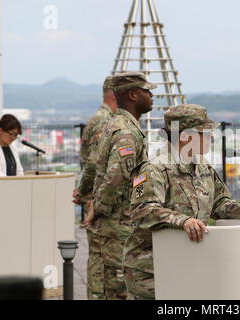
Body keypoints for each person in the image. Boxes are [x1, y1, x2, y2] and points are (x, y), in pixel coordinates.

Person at [123, 104, 240, 300]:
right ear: (184, 137)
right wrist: (182, 220)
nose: (211, 137)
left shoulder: (202, 167)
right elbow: (143, 210)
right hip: (152, 270)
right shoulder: (154, 168)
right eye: (205, 133)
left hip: (189, 264)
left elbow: (220, 204)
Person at [90, 72, 156, 300]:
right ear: (132, 94)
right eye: (147, 91)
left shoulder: (119, 124)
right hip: (118, 226)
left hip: (118, 224)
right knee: (118, 289)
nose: (152, 95)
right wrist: (99, 209)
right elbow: (115, 177)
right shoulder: (126, 131)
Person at [72, 75, 118, 300]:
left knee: (102, 261)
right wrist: (83, 192)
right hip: (98, 202)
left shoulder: (104, 119)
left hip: (96, 199)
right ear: (113, 95)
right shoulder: (103, 121)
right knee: (100, 263)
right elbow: (93, 162)